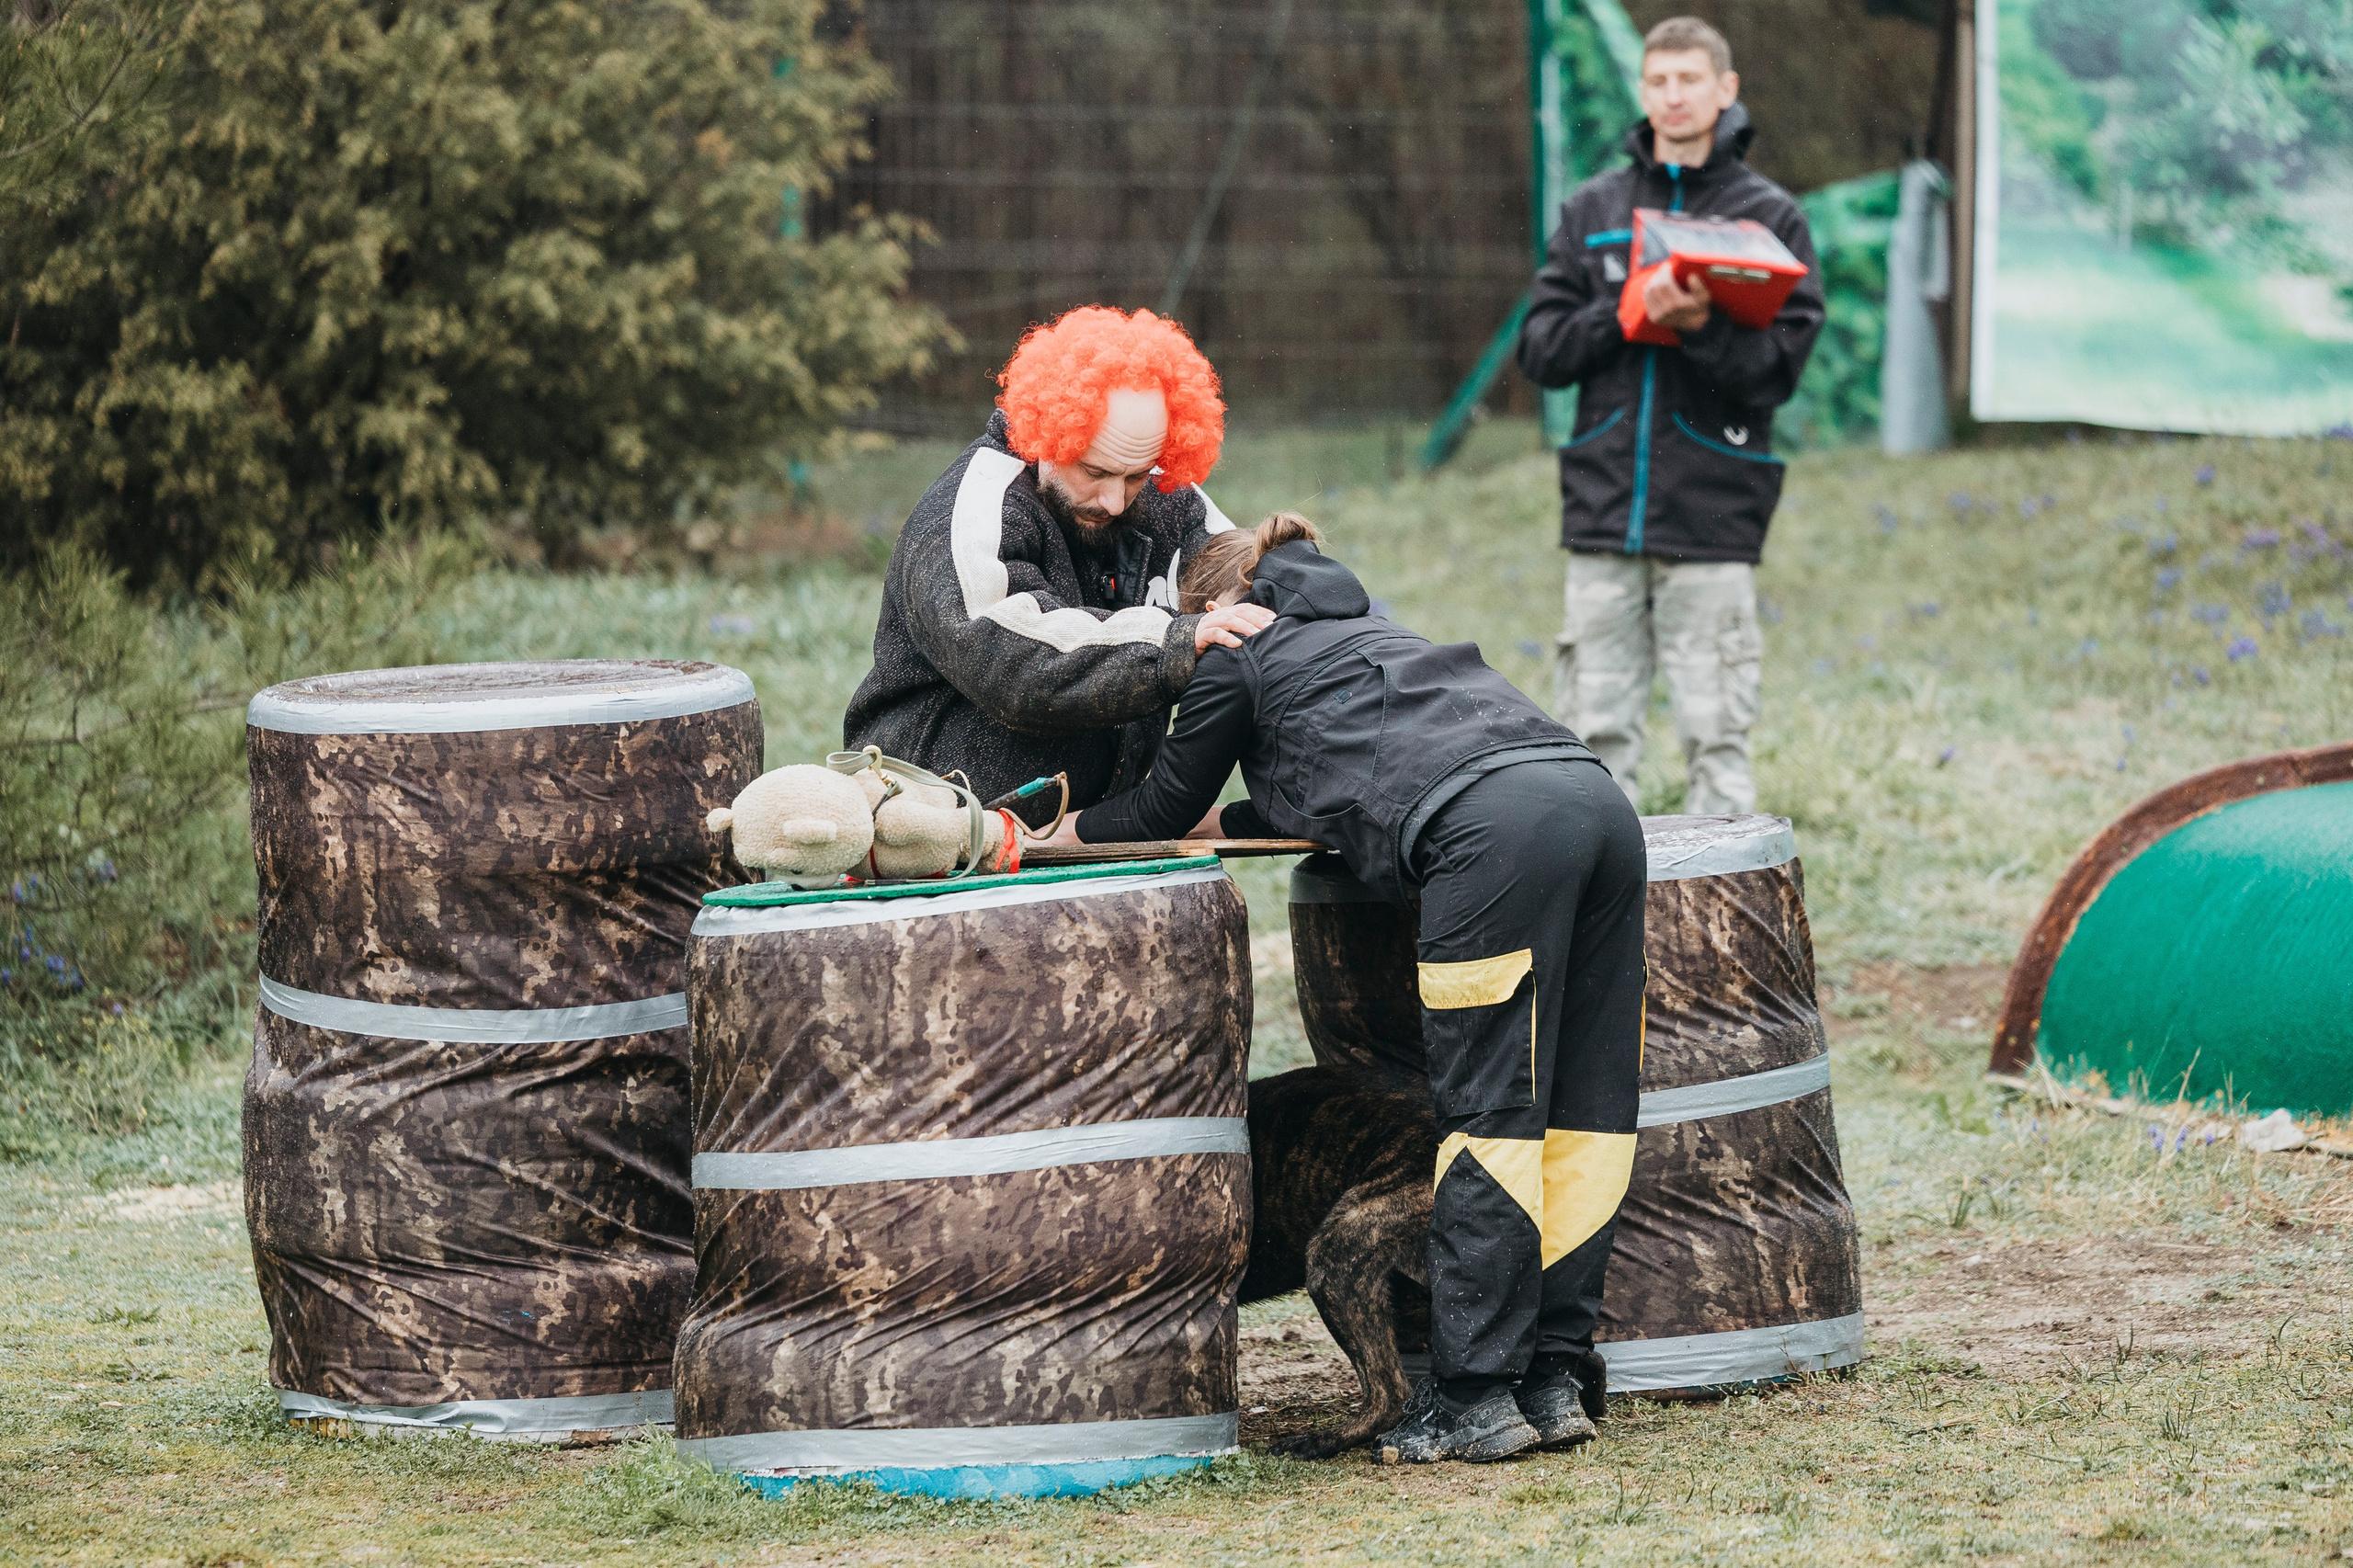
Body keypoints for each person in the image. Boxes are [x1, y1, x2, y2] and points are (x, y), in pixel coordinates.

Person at [1048, 516, 1647, 1464]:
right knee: (1586, 1112)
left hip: (1488, 838)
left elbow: (1160, 808)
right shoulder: (1378, 634)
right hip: (1595, 804)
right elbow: (1335, 774)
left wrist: (1056, 829)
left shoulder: (1235, 649)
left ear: (1213, 604)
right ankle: (1552, 1376)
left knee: (1490, 1116)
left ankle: (1475, 1396)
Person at [1517, 16, 1824, 816]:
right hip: (1602, 512)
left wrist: (1700, 326)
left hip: (1713, 515)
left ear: (1726, 90)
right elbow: (1541, 351)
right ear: (1643, 90)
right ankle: (1604, 920)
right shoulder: (1592, 211)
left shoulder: (1771, 220)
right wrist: (1626, 313)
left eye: (1690, 80)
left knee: (1716, 733)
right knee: (1592, 736)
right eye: (1659, 81)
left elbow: (1778, 374)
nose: (1673, 96)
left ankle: (1717, 925)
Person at [843, 306, 1275, 817]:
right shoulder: (974, 507)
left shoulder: (1163, 495)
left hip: (1085, 832)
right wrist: (1177, 641)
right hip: (932, 830)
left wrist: (1300, 585)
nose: (1115, 500)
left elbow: (1248, 574)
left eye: (1136, 475)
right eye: (1095, 471)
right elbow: (1013, 662)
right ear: (1048, 434)